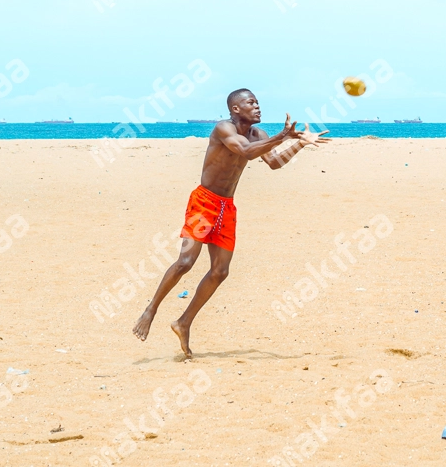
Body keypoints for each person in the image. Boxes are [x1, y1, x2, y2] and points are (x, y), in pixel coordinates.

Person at [132, 88, 328, 358]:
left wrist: (299, 144)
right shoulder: (223, 129)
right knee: (185, 263)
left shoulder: (259, 135)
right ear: (236, 109)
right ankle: (150, 310)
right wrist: (283, 135)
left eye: (258, 102)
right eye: (251, 102)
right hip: (204, 203)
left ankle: (183, 322)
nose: (257, 106)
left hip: (226, 207)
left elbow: (273, 163)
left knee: (220, 272)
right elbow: (246, 152)